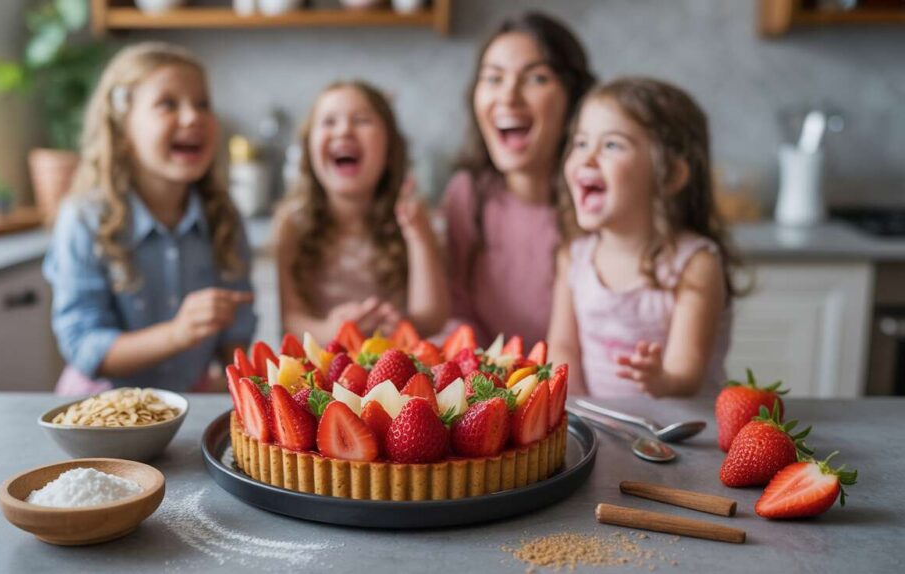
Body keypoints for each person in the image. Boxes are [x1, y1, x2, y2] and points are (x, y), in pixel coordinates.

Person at [44, 42, 255, 395]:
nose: (192, 117)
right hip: (99, 411)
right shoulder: (83, 219)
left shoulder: (224, 219)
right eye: (168, 104)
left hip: (189, 402)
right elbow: (84, 346)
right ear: (123, 129)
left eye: (202, 103)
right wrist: (176, 334)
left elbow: (235, 339)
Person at [547, 77, 742, 397]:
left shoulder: (695, 264)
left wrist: (660, 380)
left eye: (611, 145)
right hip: (604, 428)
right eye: (581, 143)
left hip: (681, 434)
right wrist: (573, 407)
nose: (586, 157)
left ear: (670, 176)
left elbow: (687, 374)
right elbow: (563, 345)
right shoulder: (575, 255)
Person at [442, 11, 596, 348]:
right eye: (493, 78)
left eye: (536, 78)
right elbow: (457, 313)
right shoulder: (465, 194)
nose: (508, 97)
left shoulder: (598, 199)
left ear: (574, 99)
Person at [274, 80, 449, 343]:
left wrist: (419, 235)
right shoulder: (292, 224)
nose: (344, 130)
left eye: (361, 120)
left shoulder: (413, 222)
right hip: (321, 376)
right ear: (308, 150)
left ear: (390, 149)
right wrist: (334, 331)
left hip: (395, 376)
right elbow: (292, 322)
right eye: (329, 122)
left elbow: (431, 320)